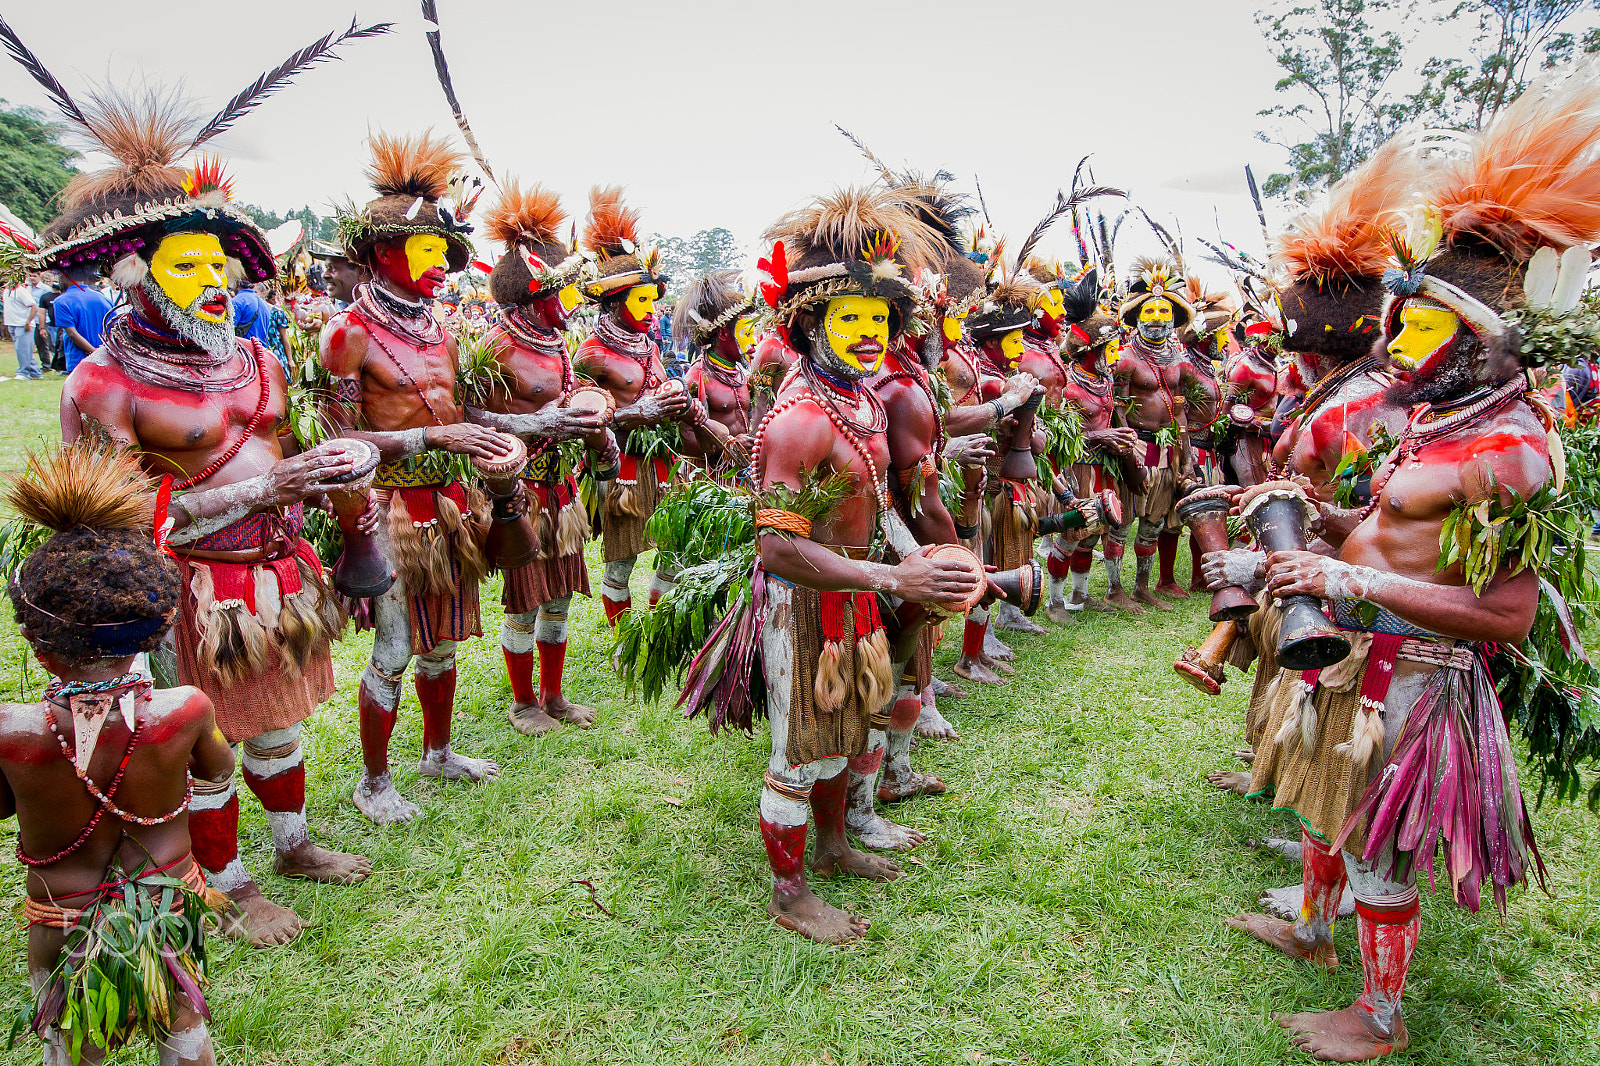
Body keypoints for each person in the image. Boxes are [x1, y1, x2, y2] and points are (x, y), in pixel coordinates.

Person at [1217, 76, 1600, 1059]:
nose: (1393, 339)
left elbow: (1506, 613)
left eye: (1421, 325)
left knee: (1382, 856)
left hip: (1417, 677)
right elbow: (1388, 522)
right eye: (1399, 320)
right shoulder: (1440, 423)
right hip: (1350, 651)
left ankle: (1380, 1016)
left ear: (1480, 336)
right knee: (1319, 796)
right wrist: (1319, 520)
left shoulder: (1511, 448)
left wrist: (1351, 583)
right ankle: (1308, 929)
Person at [44, 84, 381, 945]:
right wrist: (260, 489)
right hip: (192, 593)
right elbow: (111, 534)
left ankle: (293, 843)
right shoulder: (103, 385)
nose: (212, 283)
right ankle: (227, 886)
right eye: (184, 266)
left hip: (276, 574)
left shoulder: (261, 359)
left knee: (281, 724)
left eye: (217, 265)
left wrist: (340, 486)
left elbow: (293, 456)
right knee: (212, 745)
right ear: (135, 277)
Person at [748, 185, 979, 942]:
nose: (871, 331)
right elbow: (776, 548)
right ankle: (789, 895)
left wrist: (929, 561)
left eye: (880, 318)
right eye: (851, 318)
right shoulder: (800, 420)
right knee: (798, 751)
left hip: (859, 594)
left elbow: (880, 506)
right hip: (802, 602)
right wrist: (894, 578)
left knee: (854, 729)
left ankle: (839, 844)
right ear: (810, 321)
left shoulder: (865, 404)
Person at [2, 441, 234, 1066]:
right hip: (165, 901)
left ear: (39, 645)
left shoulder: (10, 733)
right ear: (155, 629)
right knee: (185, 1026)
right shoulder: (184, 710)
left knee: (70, 1044)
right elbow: (219, 772)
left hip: (61, 917)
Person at [321, 130, 522, 825]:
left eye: (446, 253)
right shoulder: (346, 333)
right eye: (427, 251)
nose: (442, 266)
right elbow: (337, 441)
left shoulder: (439, 328)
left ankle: (437, 752)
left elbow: (456, 411)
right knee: (397, 647)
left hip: (449, 505)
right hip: (388, 509)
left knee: (441, 643)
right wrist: (429, 435)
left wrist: (496, 445)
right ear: (382, 253)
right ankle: (373, 782)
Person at [474, 179, 612, 736]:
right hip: (520, 491)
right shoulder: (495, 345)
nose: (576, 305)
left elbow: (574, 398)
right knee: (525, 601)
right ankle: (522, 701)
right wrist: (537, 424)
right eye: (568, 294)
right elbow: (473, 420)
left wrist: (589, 415)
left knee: (558, 596)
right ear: (537, 293)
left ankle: (554, 696)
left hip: (561, 490)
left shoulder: (556, 342)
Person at [572, 187, 691, 623]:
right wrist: (630, 415)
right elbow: (579, 418)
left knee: (673, 551)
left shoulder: (648, 344)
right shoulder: (591, 353)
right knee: (622, 561)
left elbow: (656, 387)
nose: (651, 309)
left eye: (652, 299)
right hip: (619, 467)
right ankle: (624, 636)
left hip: (661, 462)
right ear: (614, 301)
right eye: (640, 301)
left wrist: (675, 395)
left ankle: (656, 627)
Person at [1111, 259, 1203, 608]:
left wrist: (1187, 455)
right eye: (1149, 310)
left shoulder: (1178, 361)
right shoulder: (1125, 359)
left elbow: (1180, 408)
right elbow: (1116, 406)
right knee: (1124, 520)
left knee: (1154, 522)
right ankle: (1114, 589)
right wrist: (1127, 449)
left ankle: (1143, 586)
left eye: (1164, 310)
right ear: (1137, 318)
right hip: (1137, 447)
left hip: (1167, 453)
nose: (1157, 317)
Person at [675, 269, 756, 479]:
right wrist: (730, 445)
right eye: (747, 334)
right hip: (712, 480)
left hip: (743, 473)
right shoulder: (697, 378)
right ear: (723, 333)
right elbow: (683, 439)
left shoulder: (741, 372)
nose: (754, 341)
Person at [51, 263, 116, 374]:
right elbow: (113, 326)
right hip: (106, 356)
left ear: (65, 277)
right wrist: (102, 351)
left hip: (78, 358)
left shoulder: (61, 301)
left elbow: (72, 333)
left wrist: (93, 352)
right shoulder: (102, 298)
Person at [5, 269, 43, 379]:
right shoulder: (7, 290)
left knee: (22, 350)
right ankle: (35, 372)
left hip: (22, 324)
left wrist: (28, 322)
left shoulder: (21, 291)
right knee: (24, 350)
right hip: (12, 323)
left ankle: (23, 373)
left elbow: (34, 307)